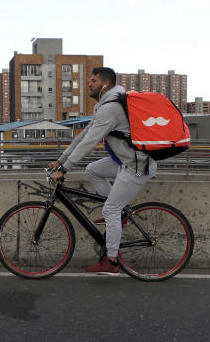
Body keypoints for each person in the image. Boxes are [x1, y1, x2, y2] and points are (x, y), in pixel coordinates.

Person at [48, 66, 156, 275]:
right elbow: (84, 134)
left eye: (93, 81)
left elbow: (90, 142)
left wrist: (66, 168)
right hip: (125, 159)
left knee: (110, 210)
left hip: (136, 165)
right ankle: (119, 213)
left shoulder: (111, 108)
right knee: (92, 170)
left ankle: (112, 262)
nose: (89, 83)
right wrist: (61, 160)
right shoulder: (104, 105)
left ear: (105, 84)